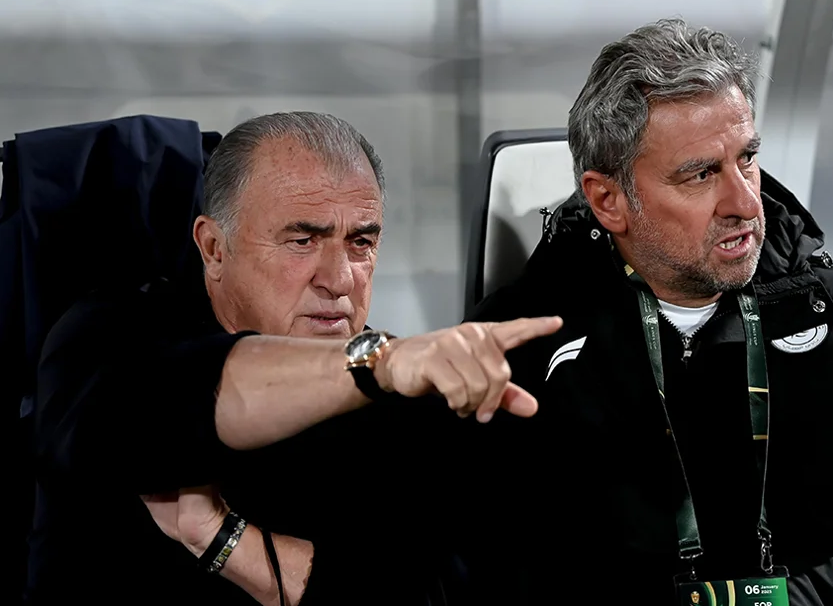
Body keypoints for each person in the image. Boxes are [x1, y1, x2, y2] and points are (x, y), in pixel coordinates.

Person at [464, 18, 833, 606]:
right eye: (702, 174)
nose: (745, 202)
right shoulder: (512, 357)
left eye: (747, 158)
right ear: (608, 200)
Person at [30, 111, 561, 606]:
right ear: (214, 248)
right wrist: (376, 364)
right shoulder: (109, 335)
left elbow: (435, 592)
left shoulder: (402, 393)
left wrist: (227, 541)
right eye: (303, 240)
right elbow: (149, 420)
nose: (340, 279)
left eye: (361, 242)